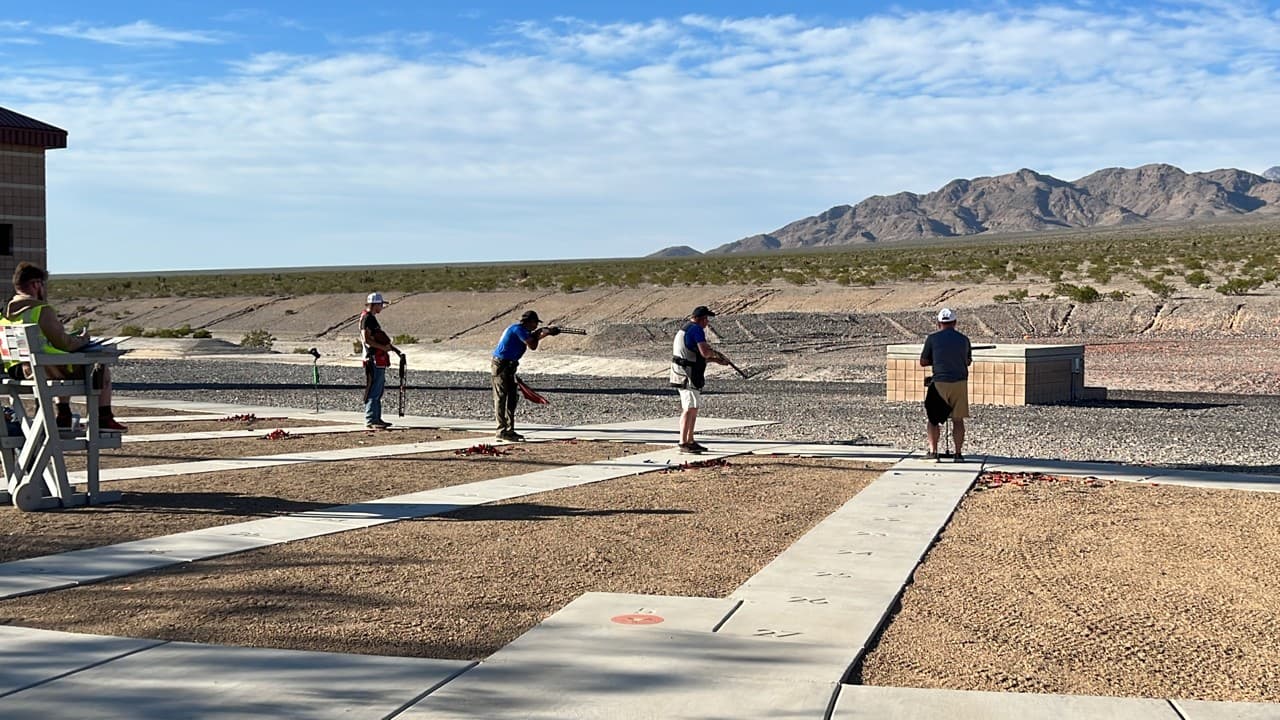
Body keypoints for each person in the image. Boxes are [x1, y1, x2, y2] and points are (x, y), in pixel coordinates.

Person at [1, 262, 127, 432]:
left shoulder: (4, 314)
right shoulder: (41, 310)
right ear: (36, 284)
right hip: (40, 370)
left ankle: (65, 416)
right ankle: (103, 418)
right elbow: (64, 344)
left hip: (17, 369)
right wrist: (82, 340)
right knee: (99, 368)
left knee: (60, 366)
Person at [670, 305, 731, 454]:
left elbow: (696, 356)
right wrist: (716, 354)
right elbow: (704, 353)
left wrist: (716, 360)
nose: (707, 323)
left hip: (686, 372)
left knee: (693, 408)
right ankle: (683, 441)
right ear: (700, 319)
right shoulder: (696, 329)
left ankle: (690, 440)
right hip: (686, 374)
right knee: (689, 408)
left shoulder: (688, 328)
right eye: (705, 319)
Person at [491, 310, 558, 441]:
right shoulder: (518, 329)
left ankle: (510, 430)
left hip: (509, 366)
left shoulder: (521, 331)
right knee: (501, 398)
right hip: (502, 365)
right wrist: (541, 333)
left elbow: (531, 339)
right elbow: (532, 345)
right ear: (528, 322)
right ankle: (501, 430)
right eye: (534, 323)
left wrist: (545, 333)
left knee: (512, 398)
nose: (535, 326)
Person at [920, 307, 972, 462]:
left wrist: (936, 360)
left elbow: (923, 362)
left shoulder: (932, 338)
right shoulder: (964, 339)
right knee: (958, 419)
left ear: (938, 323)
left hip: (940, 383)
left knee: (934, 419)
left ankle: (933, 452)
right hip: (960, 383)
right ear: (954, 322)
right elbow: (968, 361)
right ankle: (958, 454)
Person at [360, 292, 402, 430]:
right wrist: (383, 347)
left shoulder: (370, 318)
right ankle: (371, 418)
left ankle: (376, 418)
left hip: (378, 358)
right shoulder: (367, 319)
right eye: (381, 304)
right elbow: (367, 340)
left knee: (378, 389)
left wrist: (394, 350)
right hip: (373, 358)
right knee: (374, 388)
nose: (382, 307)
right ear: (375, 304)